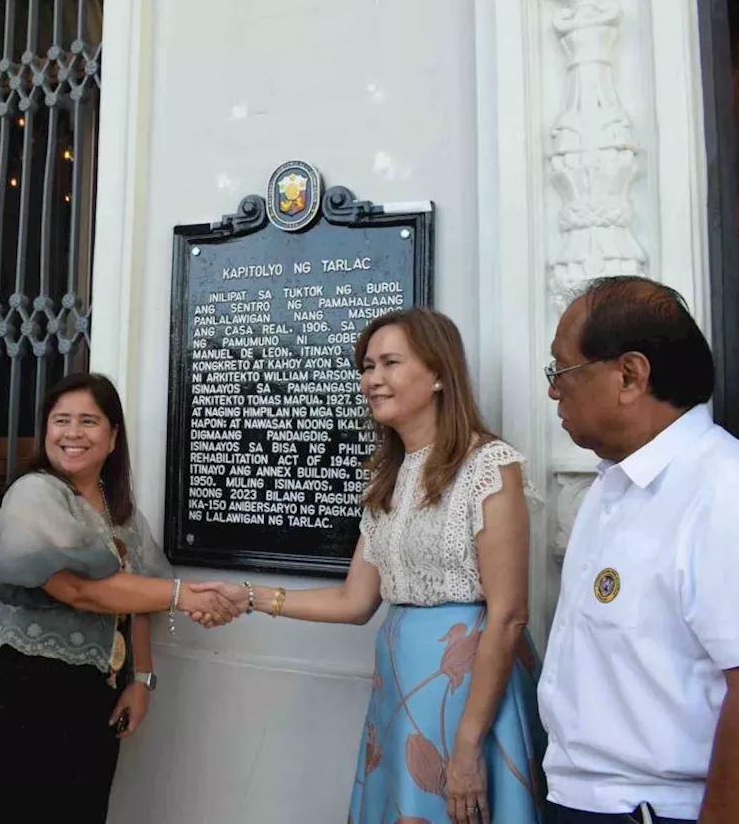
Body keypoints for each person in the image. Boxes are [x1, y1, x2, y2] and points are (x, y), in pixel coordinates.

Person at [193, 308, 548, 824]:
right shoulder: (389, 479)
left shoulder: (488, 467)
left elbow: (510, 614)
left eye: (389, 363)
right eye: (366, 366)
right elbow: (354, 600)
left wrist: (469, 741)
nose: (372, 379)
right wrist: (249, 597)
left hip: (468, 691)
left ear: (439, 374)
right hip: (401, 686)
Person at [540, 276, 739, 824]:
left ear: (629, 375)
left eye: (562, 370)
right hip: (585, 800)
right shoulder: (612, 485)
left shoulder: (728, 492)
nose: (553, 391)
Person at [0, 372, 241, 823]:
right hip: (18, 682)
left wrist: (141, 679)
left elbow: (138, 599)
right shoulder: (33, 493)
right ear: (46, 430)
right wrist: (184, 594)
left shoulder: (121, 512)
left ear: (113, 438)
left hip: (92, 688)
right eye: (61, 420)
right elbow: (78, 590)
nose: (72, 433)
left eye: (89, 421)